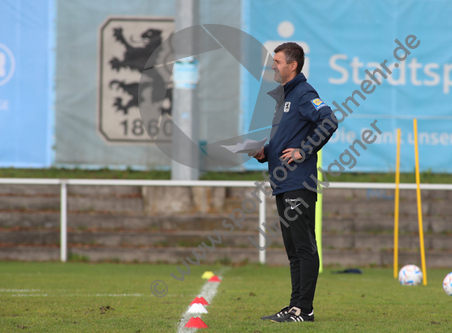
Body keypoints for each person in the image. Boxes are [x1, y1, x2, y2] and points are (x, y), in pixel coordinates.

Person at [250, 42, 338, 323]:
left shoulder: (303, 92)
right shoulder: (285, 96)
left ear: (292, 65)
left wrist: (304, 150)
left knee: (304, 247)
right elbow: (287, 137)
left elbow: (329, 120)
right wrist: (266, 153)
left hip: (298, 182)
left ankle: (305, 309)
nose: (272, 66)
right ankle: (294, 307)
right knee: (293, 250)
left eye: (276, 61)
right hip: (283, 183)